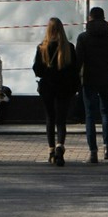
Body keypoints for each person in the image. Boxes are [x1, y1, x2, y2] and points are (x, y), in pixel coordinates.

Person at [75, 5, 108, 164]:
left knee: (90, 115)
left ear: (90, 18)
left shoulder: (83, 38)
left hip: (89, 81)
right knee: (106, 113)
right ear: (104, 19)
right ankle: (107, 148)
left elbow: (78, 63)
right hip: (106, 81)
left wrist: (76, 84)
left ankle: (93, 152)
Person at [33, 18, 80, 165]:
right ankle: (60, 145)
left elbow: (37, 69)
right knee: (61, 120)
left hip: (48, 88)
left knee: (50, 119)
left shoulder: (42, 47)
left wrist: (47, 72)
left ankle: (51, 150)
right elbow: (75, 70)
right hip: (64, 88)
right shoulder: (68, 47)